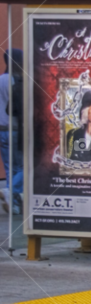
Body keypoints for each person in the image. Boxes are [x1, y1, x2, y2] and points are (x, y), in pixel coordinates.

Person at [0, 49, 23, 216]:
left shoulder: (0, 80)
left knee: (9, 169)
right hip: (15, 129)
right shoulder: (18, 81)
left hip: (1, 130)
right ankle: (10, 191)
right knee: (23, 167)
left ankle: (13, 204)